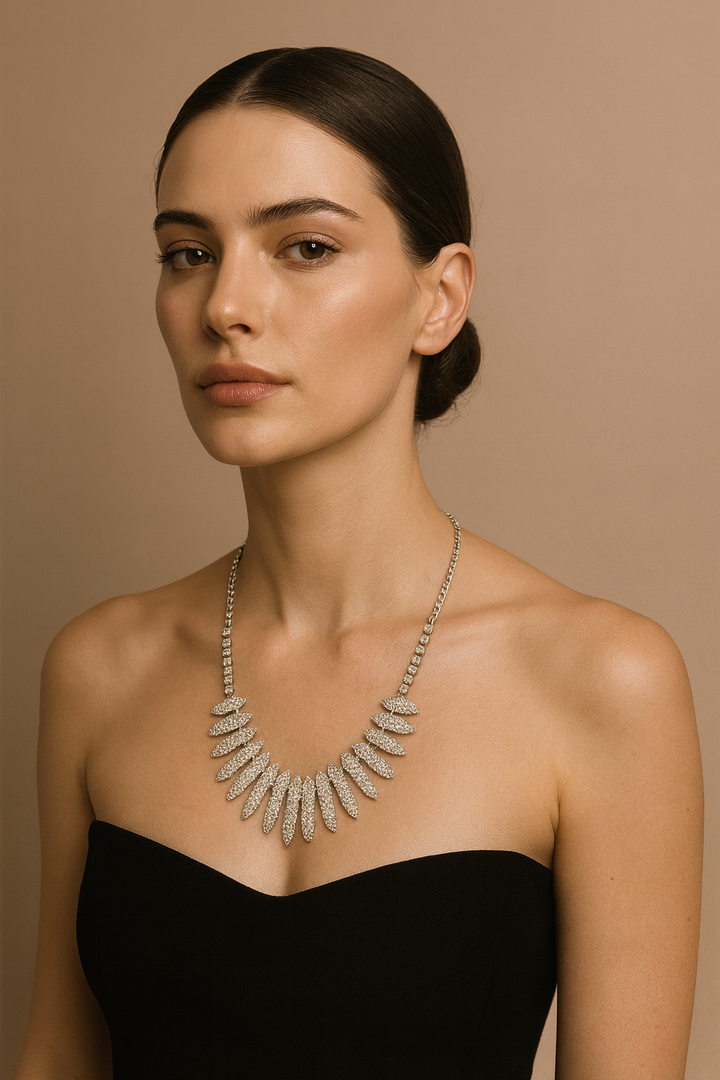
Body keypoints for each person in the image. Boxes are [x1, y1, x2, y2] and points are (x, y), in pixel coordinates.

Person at [16, 47, 702, 1079]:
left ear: (441, 297)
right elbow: (55, 1060)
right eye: (188, 253)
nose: (225, 308)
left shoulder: (602, 680)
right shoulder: (100, 668)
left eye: (302, 246)